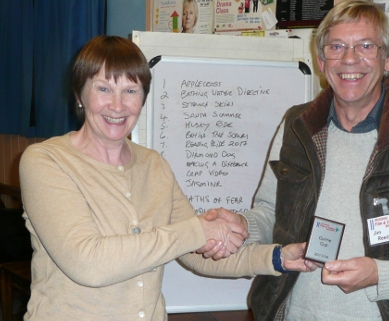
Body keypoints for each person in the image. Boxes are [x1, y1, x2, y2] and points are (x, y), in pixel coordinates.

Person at [200, 1, 389, 320]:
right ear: (322, 61)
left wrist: (382, 275)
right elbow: (272, 213)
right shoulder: (296, 126)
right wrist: (243, 226)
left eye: (366, 46)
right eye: (337, 46)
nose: (350, 58)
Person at [19, 35, 317, 321]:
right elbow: (89, 263)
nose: (118, 105)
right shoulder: (45, 161)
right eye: (103, 89)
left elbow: (196, 254)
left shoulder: (154, 165)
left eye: (131, 90)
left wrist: (277, 258)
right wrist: (199, 230)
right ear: (79, 95)